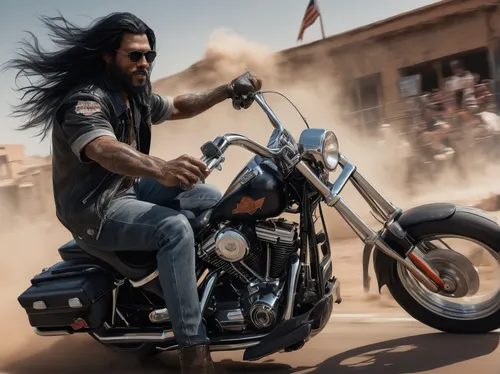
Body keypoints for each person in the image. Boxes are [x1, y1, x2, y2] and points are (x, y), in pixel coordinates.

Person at [4, 12, 262, 374]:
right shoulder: (85, 102)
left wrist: (226, 90)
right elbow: (103, 149)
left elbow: (180, 105)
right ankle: (194, 348)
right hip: (94, 208)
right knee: (174, 229)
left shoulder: (136, 95)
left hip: (127, 190)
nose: (144, 62)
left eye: (148, 55)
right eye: (134, 55)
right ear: (108, 56)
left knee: (209, 196)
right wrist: (162, 168)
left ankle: (210, 289)